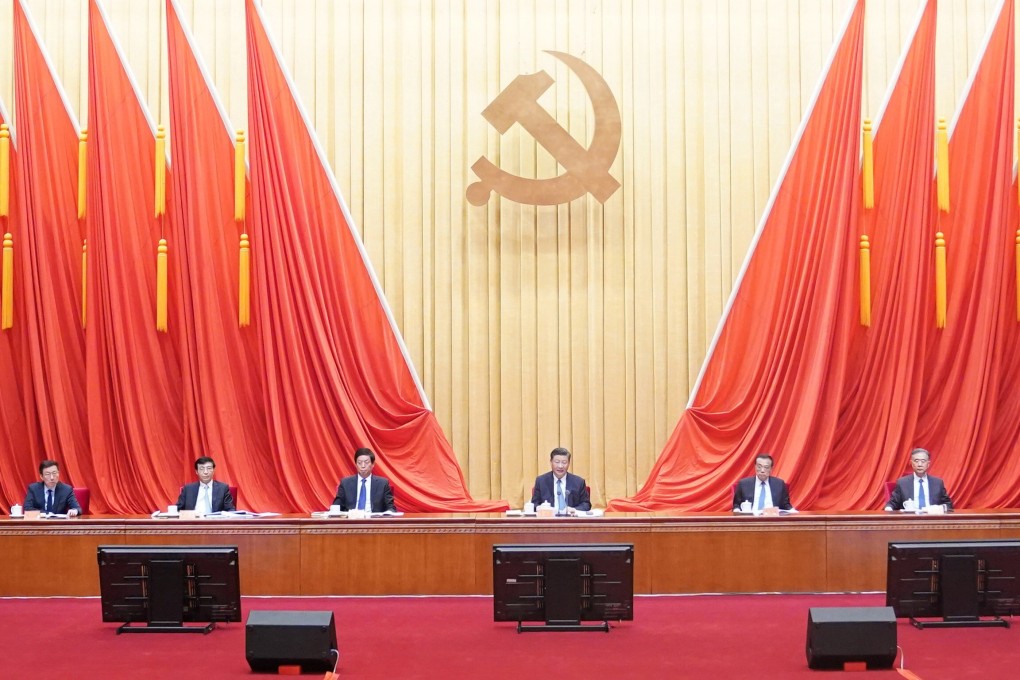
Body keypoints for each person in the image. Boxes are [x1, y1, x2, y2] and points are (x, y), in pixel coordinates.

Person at [885, 448, 953, 511]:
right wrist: (888, 508)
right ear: (911, 463)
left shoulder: (938, 483)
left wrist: (938, 508)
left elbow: (948, 504)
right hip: (910, 521)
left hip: (932, 520)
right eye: (916, 461)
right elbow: (892, 503)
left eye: (923, 461)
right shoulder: (902, 483)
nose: (919, 464)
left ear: (928, 464)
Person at [333, 448, 396, 512]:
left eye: (366, 462)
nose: (363, 466)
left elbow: (391, 508)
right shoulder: (345, 483)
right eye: (359, 463)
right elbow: (336, 506)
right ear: (356, 464)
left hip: (373, 520)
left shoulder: (382, 483)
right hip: (352, 519)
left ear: (373, 464)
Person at [530, 447, 591, 514]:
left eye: (564, 462)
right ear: (551, 462)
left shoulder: (579, 482)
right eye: (557, 462)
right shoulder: (541, 481)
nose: (560, 466)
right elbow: (534, 504)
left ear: (569, 463)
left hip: (571, 521)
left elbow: (586, 504)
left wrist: (573, 509)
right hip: (549, 521)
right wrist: (543, 508)